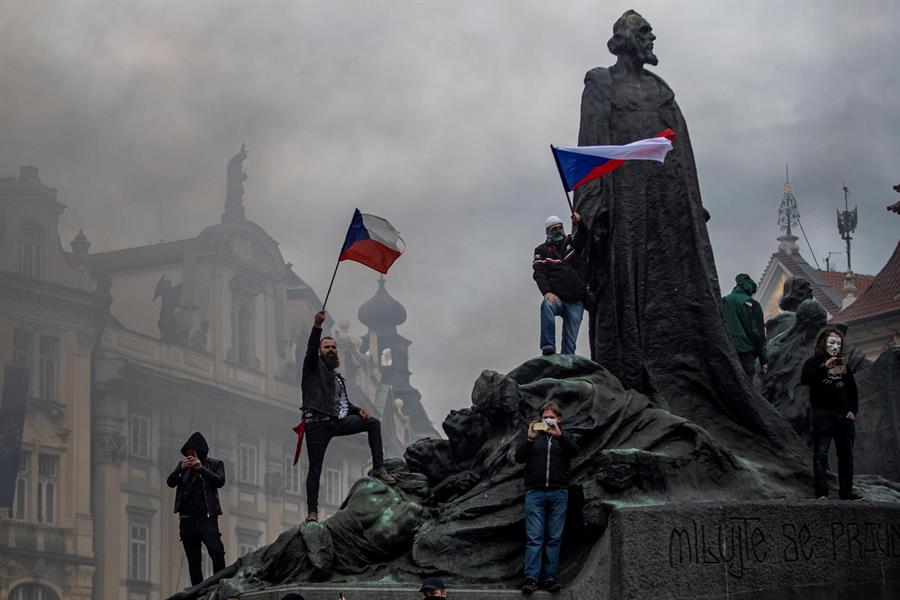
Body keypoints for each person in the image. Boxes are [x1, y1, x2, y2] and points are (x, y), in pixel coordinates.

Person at [301, 309, 396, 522]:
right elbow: (310, 349)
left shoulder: (336, 377)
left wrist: (357, 410)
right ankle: (312, 513)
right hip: (316, 424)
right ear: (320, 351)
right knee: (315, 469)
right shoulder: (312, 366)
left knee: (372, 423)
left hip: (336, 421)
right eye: (327, 347)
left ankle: (378, 468)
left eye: (334, 347)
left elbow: (341, 403)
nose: (331, 350)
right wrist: (317, 326)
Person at [514, 401, 579, 594]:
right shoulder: (534, 437)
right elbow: (518, 458)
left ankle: (549, 578)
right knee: (534, 537)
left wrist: (561, 436)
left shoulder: (564, 436)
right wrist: (529, 439)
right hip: (535, 493)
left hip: (559, 493)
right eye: (545, 417)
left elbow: (575, 451)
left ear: (559, 419)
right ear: (540, 419)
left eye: (552, 417)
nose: (548, 420)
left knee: (554, 538)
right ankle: (531, 578)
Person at [800, 327, 863, 500]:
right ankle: (822, 493)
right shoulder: (813, 362)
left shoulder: (841, 365)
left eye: (838, 343)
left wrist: (852, 411)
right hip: (823, 415)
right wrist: (823, 367)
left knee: (846, 457)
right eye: (832, 342)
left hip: (844, 416)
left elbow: (848, 388)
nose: (836, 346)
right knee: (821, 454)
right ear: (823, 343)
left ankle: (846, 493)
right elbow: (806, 379)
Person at [166, 432, 226, 587]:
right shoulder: (184, 467)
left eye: (193, 452)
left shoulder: (215, 464)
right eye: (188, 453)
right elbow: (170, 482)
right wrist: (179, 468)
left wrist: (201, 469)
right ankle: (197, 591)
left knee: (216, 551)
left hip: (207, 518)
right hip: (187, 520)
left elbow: (220, 481)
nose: (190, 456)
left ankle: (220, 585)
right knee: (193, 560)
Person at [532, 212, 587, 355]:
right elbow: (539, 273)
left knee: (569, 346)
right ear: (547, 231)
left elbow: (584, 237)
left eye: (559, 227)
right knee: (547, 305)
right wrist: (547, 292)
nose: (558, 230)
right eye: (554, 228)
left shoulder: (571, 242)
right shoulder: (542, 251)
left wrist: (579, 222)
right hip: (557, 299)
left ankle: (566, 364)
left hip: (575, 301)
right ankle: (548, 346)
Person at [722, 273, 768, 379]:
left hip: (724, 353)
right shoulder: (753, 304)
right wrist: (764, 360)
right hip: (745, 355)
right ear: (749, 288)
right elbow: (758, 335)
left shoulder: (722, 301)